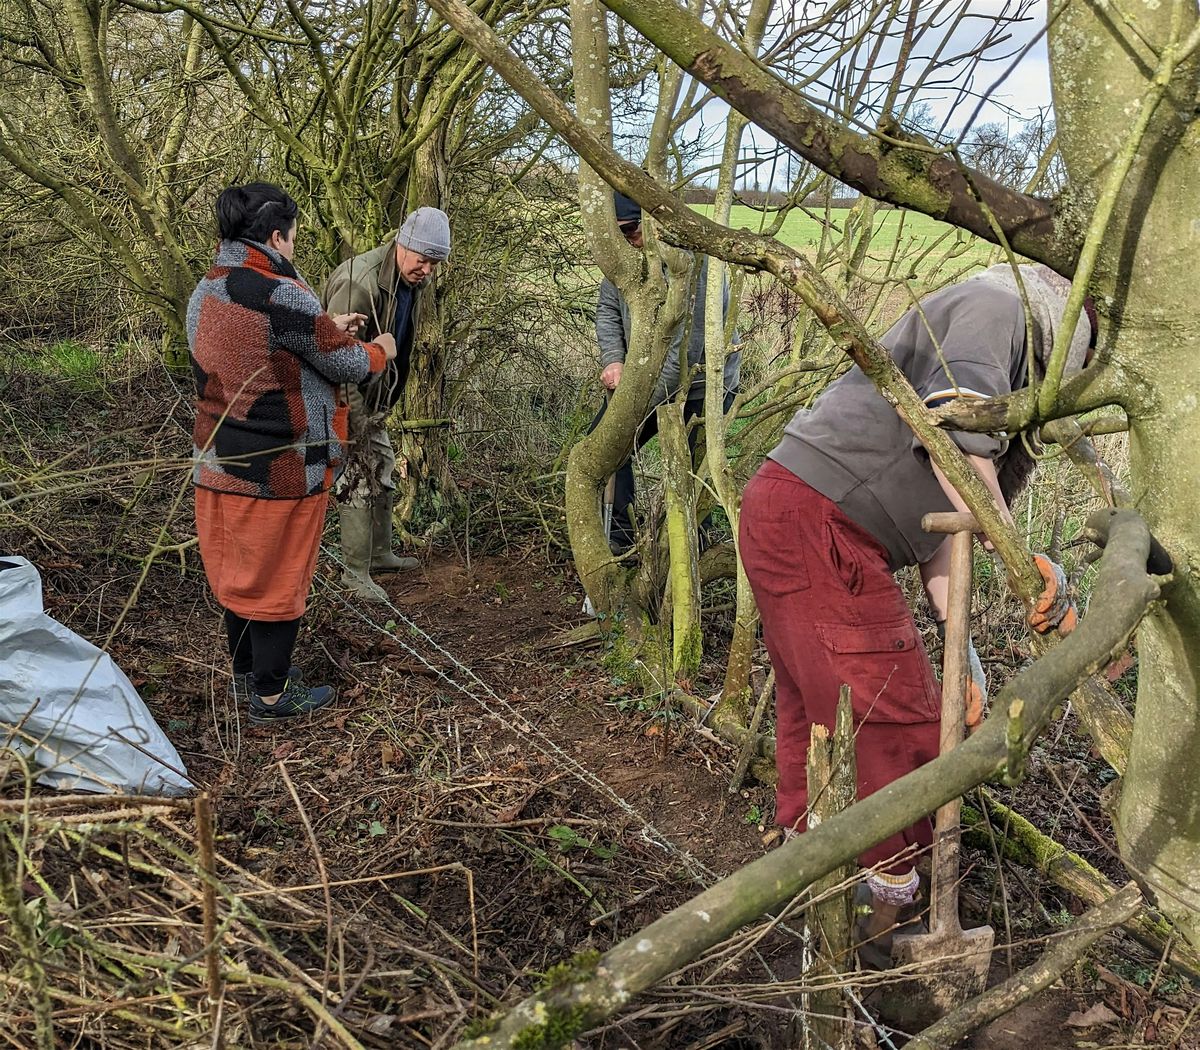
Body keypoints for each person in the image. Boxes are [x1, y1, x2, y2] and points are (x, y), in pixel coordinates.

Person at [738, 264, 1091, 958]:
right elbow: (955, 445)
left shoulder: (1008, 356)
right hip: (820, 522)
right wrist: (1028, 576)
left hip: (799, 513)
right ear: (1075, 330)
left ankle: (812, 886)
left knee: (819, 712)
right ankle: (878, 928)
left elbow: (948, 525)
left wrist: (965, 659)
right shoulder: (999, 310)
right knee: (892, 726)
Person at [190, 182, 396, 723]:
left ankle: (246, 677)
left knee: (239, 573)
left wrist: (328, 329)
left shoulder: (207, 289)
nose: (297, 248)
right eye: (295, 238)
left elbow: (267, 350)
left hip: (218, 462)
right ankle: (273, 694)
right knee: (280, 578)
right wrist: (378, 349)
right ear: (277, 236)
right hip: (281, 466)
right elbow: (349, 366)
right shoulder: (278, 290)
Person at [592, 191, 741, 553]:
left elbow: (682, 358)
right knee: (604, 443)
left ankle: (691, 556)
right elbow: (608, 310)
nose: (627, 240)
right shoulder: (627, 257)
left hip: (704, 385)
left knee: (691, 476)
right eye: (620, 233)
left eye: (631, 230)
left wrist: (631, 406)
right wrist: (615, 360)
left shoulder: (692, 265)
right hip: (647, 378)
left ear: (652, 221)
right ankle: (621, 543)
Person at [321, 209, 452, 601]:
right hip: (346, 399)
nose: (427, 270)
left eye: (434, 263)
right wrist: (355, 423)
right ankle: (355, 574)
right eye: (422, 259)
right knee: (358, 477)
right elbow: (336, 359)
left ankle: (380, 554)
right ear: (402, 242)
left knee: (384, 469)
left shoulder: (410, 279)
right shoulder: (357, 282)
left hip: (375, 397)